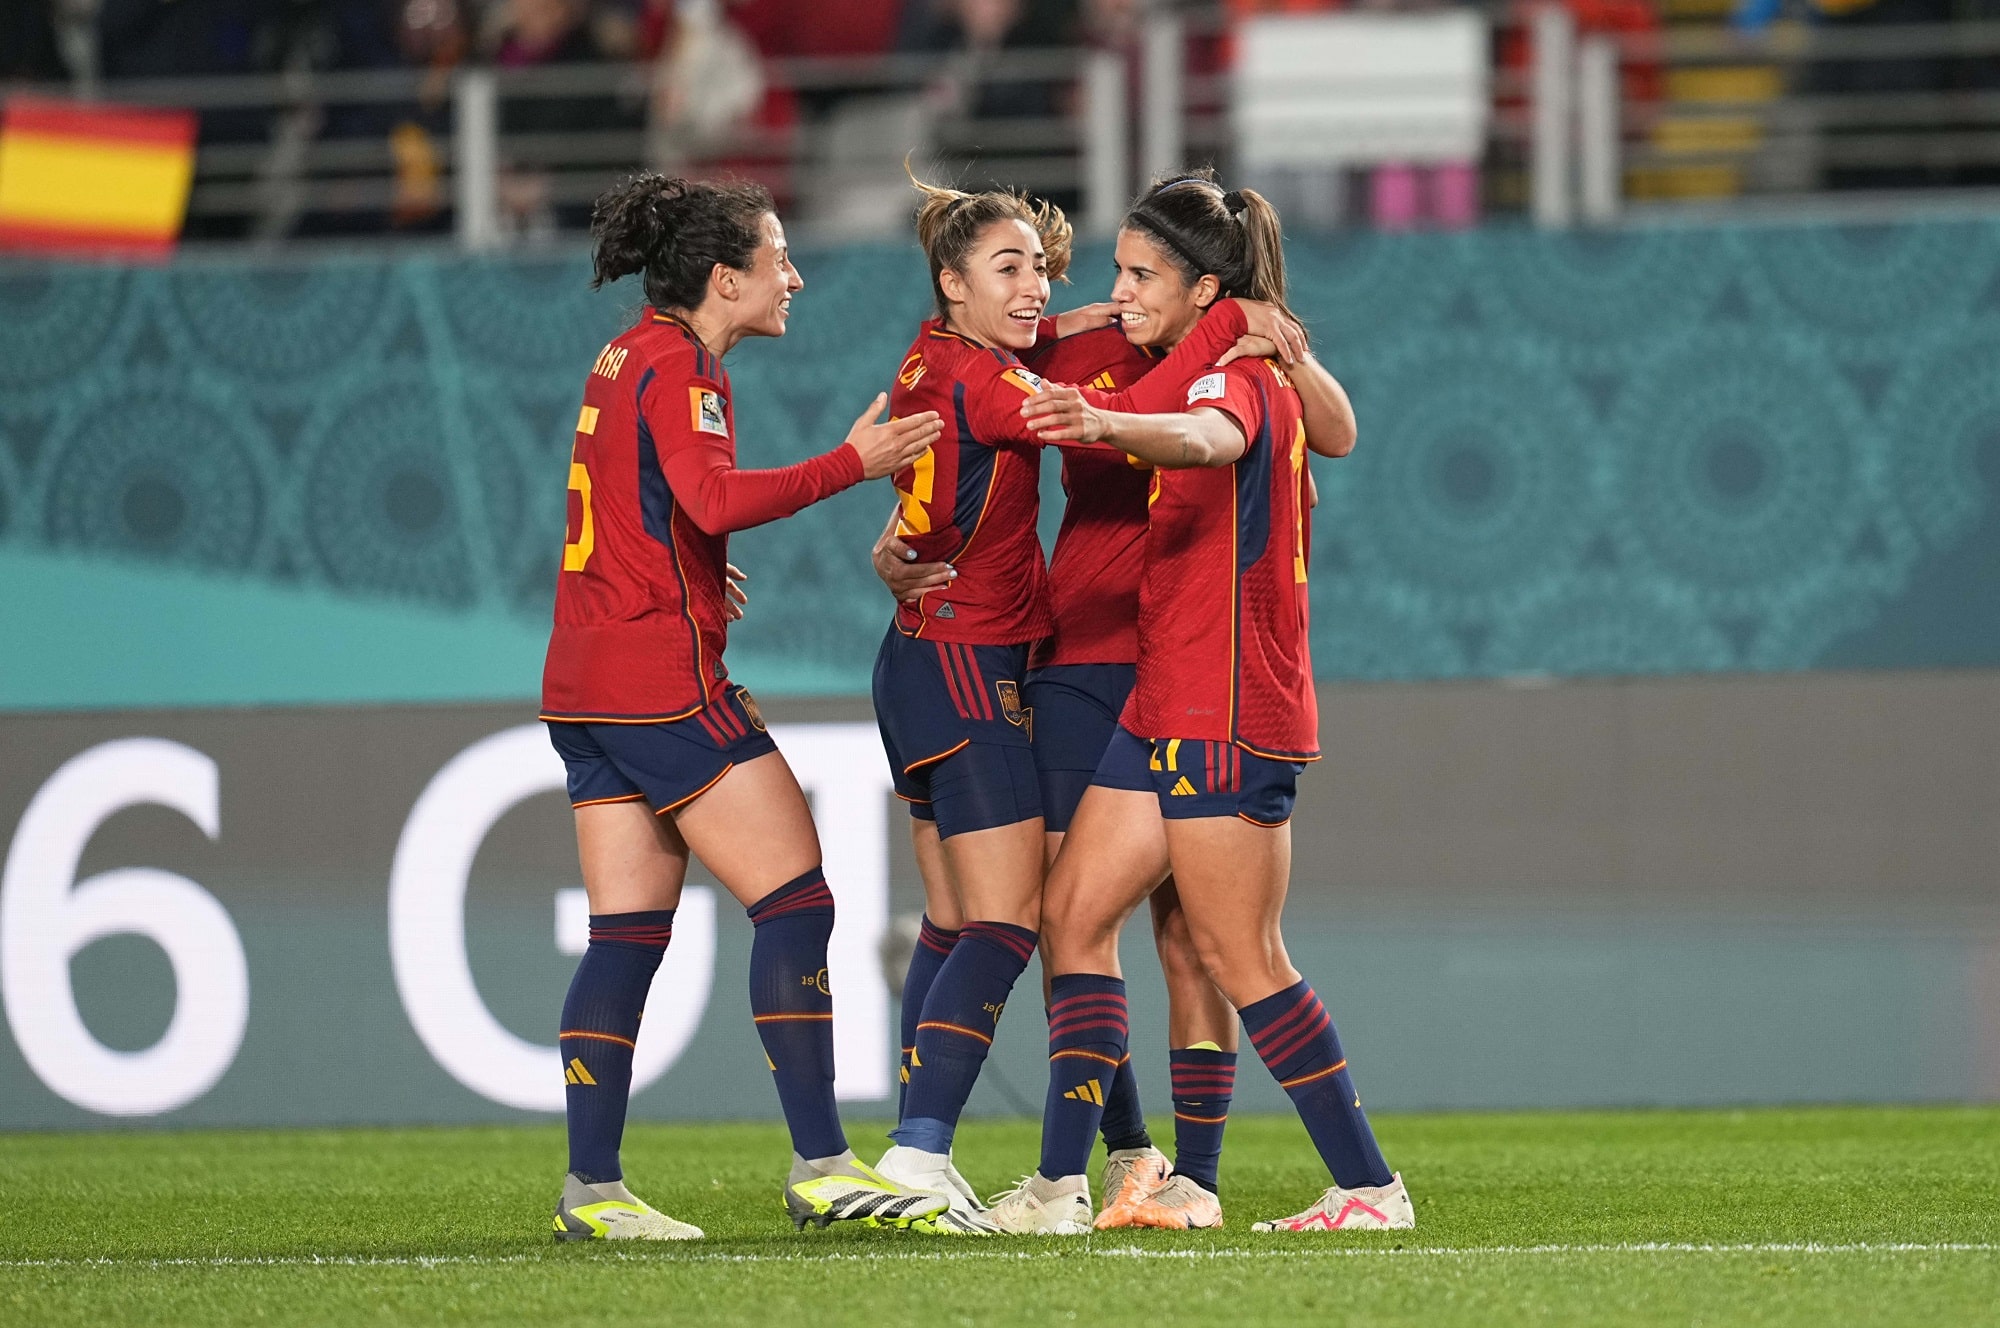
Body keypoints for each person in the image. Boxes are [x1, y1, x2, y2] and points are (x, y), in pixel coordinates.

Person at [541, 172, 952, 1240]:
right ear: (726, 277)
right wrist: (851, 463)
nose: (794, 275)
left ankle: (592, 1189)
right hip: (657, 680)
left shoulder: (625, 351)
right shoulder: (685, 368)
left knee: (625, 935)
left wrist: (681, 561)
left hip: (584, 682)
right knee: (798, 899)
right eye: (778, 257)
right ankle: (820, 1161)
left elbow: (629, 498)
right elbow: (711, 495)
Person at [1009, 171, 1416, 1233]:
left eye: (1141, 274)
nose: (1121, 288)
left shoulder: (1231, 377)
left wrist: (1100, 422)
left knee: (1241, 958)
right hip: (1165, 695)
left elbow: (1206, 438)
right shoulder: (1211, 349)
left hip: (1226, 703)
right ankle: (1152, 1175)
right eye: (1117, 269)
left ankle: (1368, 1185)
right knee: (1072, 911)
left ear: (1201, 290)